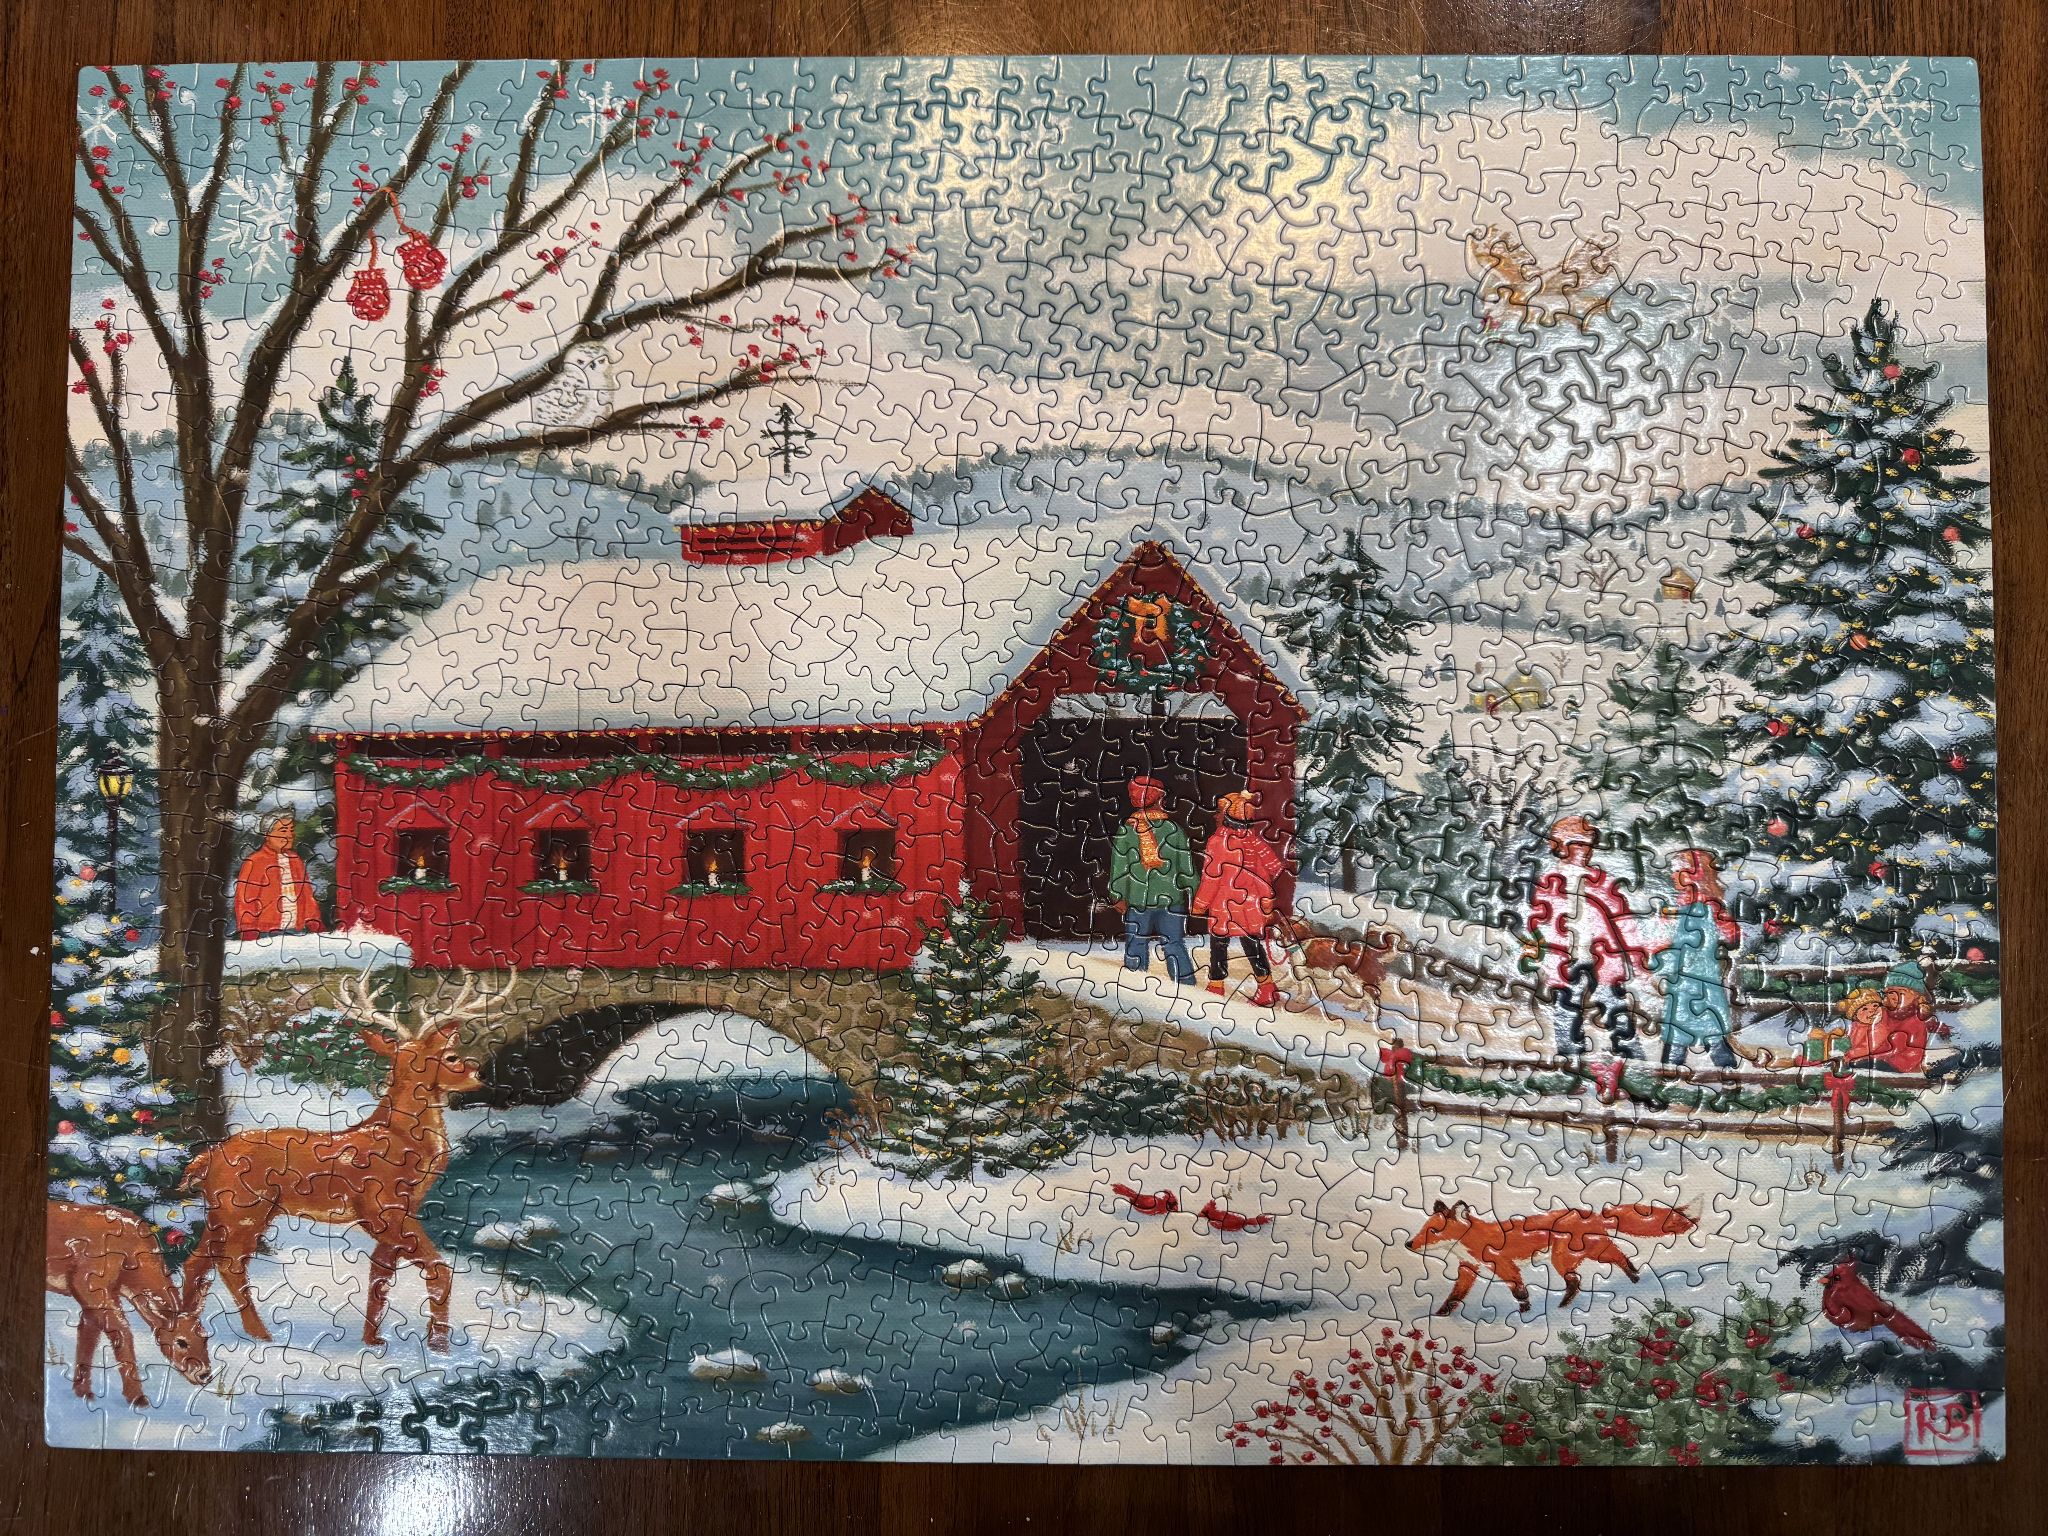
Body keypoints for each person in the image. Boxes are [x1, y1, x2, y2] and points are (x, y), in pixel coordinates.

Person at [1525, 814, 1649, 1059]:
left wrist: (1637, 959)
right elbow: (1537, 923)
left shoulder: (1604, 883)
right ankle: (1570, 1062)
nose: (1584, 850)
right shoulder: (1547, 884)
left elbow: (1624, 923)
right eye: (1578, 843)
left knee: (1614, 1008)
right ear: (1559, 845)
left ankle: (1635, 1059)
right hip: (1564, 961)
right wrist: (1537, 953)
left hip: (1603, 960)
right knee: (1565, 1013)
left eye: (1588, 844)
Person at [1650, 848, 1741, 1070]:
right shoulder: (1682, 906)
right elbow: (1664, 943)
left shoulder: (1705, 907)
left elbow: (1729, 937)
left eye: (1679, 870)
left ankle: (1722, 1069)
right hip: (1686, 981)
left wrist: (1658, 962)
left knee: (1704, 1029)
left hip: (1698, 979)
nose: (1674, 876)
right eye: (1674, 871)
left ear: (1695, 874)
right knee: (1689, 1028)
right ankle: (1680, 1068)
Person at [1193, 789, 1284, 1008]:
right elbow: (1268, 874)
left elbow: (1211, 877)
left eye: (1219, 812)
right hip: (1252, 905)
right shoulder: (1256, 843)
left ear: (1226, 816)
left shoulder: (1218, 842)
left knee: (1219, 944)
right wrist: (1265, 902)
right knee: (1252, 944)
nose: (1216, 816)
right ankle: (1267, 987)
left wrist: (1200, 905)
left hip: (1224, 905)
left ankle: (1216, 986)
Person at [1108, 776, 1196, 984]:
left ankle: (1133, 987)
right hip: (1171, 900)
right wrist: (1195, 893)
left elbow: (1119, 867)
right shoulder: (1174, 829)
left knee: (1136, 945)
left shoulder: (1126, 830)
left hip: (1138, 901)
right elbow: (1186, 869)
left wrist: (1117, 895)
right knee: (1174, 944)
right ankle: (1186, 986)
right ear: (1160, 799)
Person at [1844, 960, 1951, 1073]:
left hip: (1904, 1062)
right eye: (1890, 992)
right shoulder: (1883, 1013)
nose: (1895, 997)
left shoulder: (1917, 1018)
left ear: (1916, 996)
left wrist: (1941, 1029)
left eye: (1902, 993)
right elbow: (1868, 1034)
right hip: (1880, 1055)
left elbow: (1930, 1025)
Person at [233, 813, 324, 939]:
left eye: (291, 830)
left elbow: (307, 897)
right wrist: (249, 933)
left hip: (298, 932)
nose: (289, 835)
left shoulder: (295, 860)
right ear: (267, 834)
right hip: (265, 934)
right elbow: (245, 901)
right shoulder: (255, 862)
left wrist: (316, 925)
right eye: (283, 830)